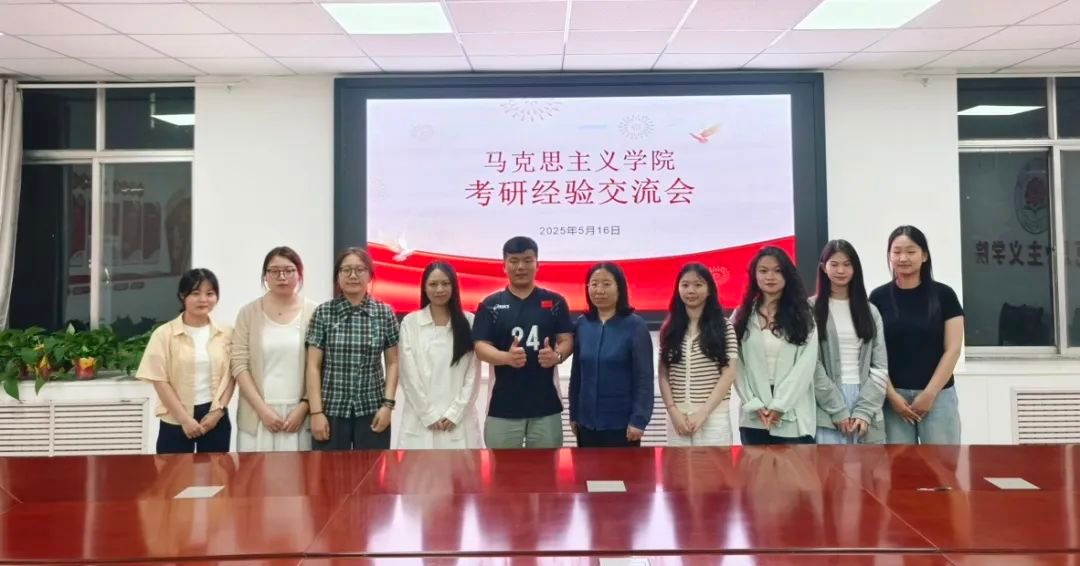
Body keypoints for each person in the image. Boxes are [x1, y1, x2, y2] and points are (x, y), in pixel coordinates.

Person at [472, 236, 574, 449]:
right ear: (504, 265)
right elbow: (480, 347)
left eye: (527, 260)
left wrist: (556, 356)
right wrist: (506, 358)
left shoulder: (555, 302)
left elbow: (567, 339)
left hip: (546, 405)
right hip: (502, 406)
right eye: (514, 261)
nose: (520, 267)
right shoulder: (490, 304)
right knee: (503, 468)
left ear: (537, 264)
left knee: (546, 467)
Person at [869, 226, 964, 445]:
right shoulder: (878, 297)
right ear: (889, 256)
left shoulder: (945, 295)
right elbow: (872, 352)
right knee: (899, 464)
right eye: (896, 252)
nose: (903, 258)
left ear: (924, 255)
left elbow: (953, 349)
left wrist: (929, 394)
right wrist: (891, 396)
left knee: (942, 463)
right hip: (893, 400)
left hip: (938, 396)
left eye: (911, 251)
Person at [305, 247, 400, 450]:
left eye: (359, 269)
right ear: (337, 276)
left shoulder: (384, 313)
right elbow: (313, 366)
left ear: (370, 275)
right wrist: (316, 412)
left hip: (372, 409)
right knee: (328, 469)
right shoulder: (323, 313)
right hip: (331, 410)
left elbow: (393, 363)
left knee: (370, 468)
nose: (353, 275)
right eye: (346, 270)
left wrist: (388, 405)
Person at [137, 268, 234, 454]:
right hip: (175, 417)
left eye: (210, 294)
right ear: (183, 295)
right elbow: (159, 380)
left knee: (216, 470)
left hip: (215, 416)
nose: (203, 299)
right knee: (173, 471)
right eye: (196, 293)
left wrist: (218, 412)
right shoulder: (164, 334)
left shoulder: (226, 333)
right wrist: (184, 419)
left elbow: (232, 376)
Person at [233, 246, 318, 452]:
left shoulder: (315, 312)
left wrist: (304, 407)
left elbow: (321, 366)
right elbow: (239, 364)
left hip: (299, 415)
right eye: (274, 271)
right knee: (254, 472)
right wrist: (263, 411)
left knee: (299, 472)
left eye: (289, 270)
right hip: (257, 414)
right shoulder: (248, 313)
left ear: (299, 274)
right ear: (265, 276)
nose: (282, 277)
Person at [733, 247, 819, 445]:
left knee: (796, 466)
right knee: (755, 466)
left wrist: (780, 405)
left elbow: (805, 366)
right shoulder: (741, 315)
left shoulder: (803, 315)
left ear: (787, 275)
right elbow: (735, 366)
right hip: (754, 416)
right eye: (763, 271)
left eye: (777, 271)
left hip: (792, 412)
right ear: (754, 275)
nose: (770, 276)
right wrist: (753, 403)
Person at [569, 262, 654, 448]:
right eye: (594, 284)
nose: (599, 290)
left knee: (623, 468)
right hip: (586, 423)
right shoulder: (583, 324)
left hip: (622, 425)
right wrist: (574, 414)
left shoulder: (635, 326)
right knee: (586, 468)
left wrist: (639, 420)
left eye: (606, 284)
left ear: (619, 288)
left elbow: (644, 378)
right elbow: (577, 375)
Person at [811, 240, 889, 445]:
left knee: (869, 465)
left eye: (847, 264)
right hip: (826, 402)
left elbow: (880, 366)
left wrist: (864, 410)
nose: (841, 270)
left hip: (866, 398)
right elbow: (811, 366)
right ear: (823, 267)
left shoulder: (870, 311)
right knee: (830, 465)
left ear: (855, 268)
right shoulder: (810, 309)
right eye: (834, 264)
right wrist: (837, 409)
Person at [398, 262, 481, 449]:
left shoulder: (469, 321)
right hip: (420, 422)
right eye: (433, 284)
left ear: (454, 286)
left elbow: (473, 374)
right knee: (419, 469)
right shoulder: (410, 323)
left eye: (445, 283)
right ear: (424, 287)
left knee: (462, 468)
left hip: (459, 423)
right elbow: (408, 374)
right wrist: (428, 414)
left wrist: (455, 413)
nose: (439, 289)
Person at [657, 263, 738, 446]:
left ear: (709, 290)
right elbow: (663, 374)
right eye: (685, 285)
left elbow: (729, 373)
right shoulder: (669, 328)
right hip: (677, 418)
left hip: (713, 417)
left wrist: (703, 413)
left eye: (698, 285)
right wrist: (673, 411)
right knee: (678, 465)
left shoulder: (724, 327)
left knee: (713, 465)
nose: (691, 290)